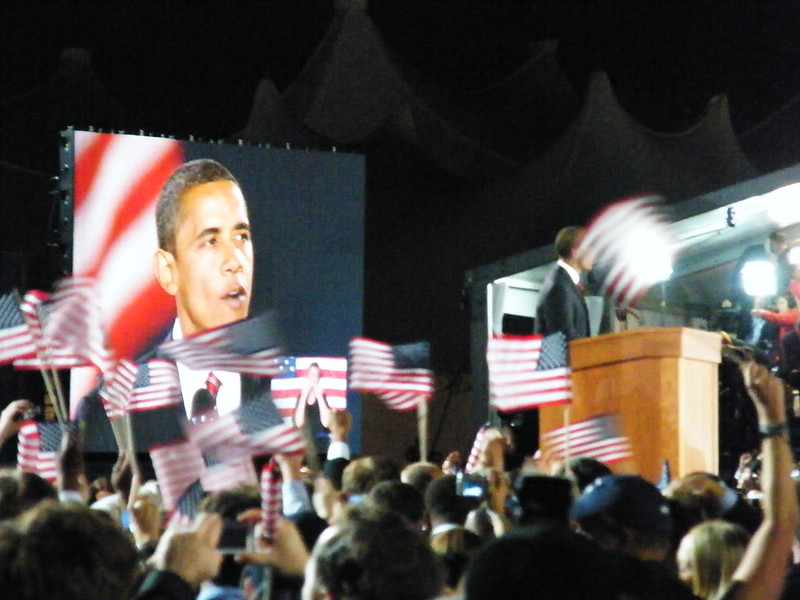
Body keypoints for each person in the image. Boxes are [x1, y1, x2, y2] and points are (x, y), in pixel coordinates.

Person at [153, 158, 258, 419]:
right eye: (211, 241)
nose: (235, 262)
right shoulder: (117, 402)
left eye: (241, 237)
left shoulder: (283, 392)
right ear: (169, 271)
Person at [535, 225, 593, 342]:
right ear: (575, 252)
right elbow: (564, 340)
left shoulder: (564, 282)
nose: (593, 254)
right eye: (589, 248)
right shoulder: (559, 288)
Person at [292, 362, 333, 430]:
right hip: (304, 437)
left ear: (318, 377)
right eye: (311, 374)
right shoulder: (301, 397)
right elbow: (298, 423)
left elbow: (326, 423)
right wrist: (303, 396)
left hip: (321, 437)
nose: (313, 377)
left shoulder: (322, 397)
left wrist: (320, 397)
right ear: (307, 376)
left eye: (316, 374)